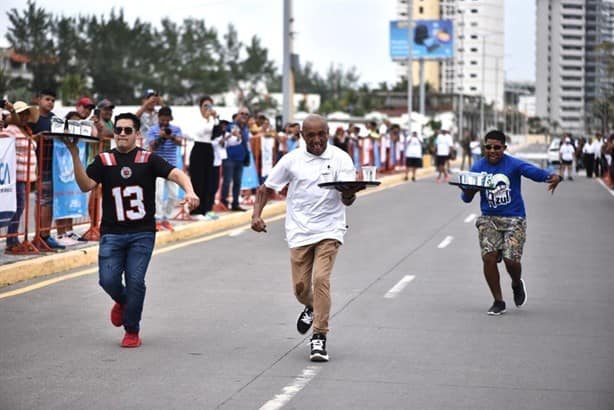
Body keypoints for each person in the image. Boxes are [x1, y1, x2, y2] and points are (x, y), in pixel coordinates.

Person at [61, 112, 199, 347]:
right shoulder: (105, 160)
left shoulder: (148, 159)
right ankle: (124, 301)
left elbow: (176, 173)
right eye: (118, 130)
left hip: (142, 232)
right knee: (108, 280)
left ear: (137, 134)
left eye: (127, 130)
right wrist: (74, 154)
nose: (122, 134)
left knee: (135, 281)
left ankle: (132, 329)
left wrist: (190, 191)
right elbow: (86, 186)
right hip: (112, 233)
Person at [251, 114, 365, 362]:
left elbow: (347, 199)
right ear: (302, 136)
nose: (317, 140)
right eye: (311, 135)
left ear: (328, 133)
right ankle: (311, 306)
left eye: (321, 134)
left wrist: (349, 194)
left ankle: (319, 336)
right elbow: (267, 188)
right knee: (301, 290)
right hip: (299, 230)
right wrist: (256, 216)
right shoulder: (291, 160)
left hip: (330, 229)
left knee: (321, 279)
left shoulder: (341, 158)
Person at [458, 130, 562, 316]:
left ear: (504, 148)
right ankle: (498, 301)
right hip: (489, 218)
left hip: (515, 219)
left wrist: (552, 176)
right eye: (488, 147)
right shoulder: (477, 168)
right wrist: (470, 190)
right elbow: (466, 198)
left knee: (510, 260)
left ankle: (516, 283)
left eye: (497, 147)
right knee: (488, 258)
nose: (492, 150)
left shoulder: (513, 164)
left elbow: (533, 172)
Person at [28, 90, 65, 250]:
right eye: (47, 99)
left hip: (53, 166)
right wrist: (40, 136)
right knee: (42, 201)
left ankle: (45, 235)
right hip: (37, 165)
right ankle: (39, 236)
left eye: (53, 100)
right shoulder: (32, 118)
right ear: (39, 100)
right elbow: (27, 137)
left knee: (49, 202)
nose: (50, 102)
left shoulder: (55, 120)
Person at [3, 101, 39, 254]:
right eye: (21, 113)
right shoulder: (11, 130)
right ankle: (11, 240)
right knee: (17, 208)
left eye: (26, 114)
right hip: (16, 175)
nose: (24, 116)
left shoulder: (26, 130)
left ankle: (13, 238)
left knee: (20, 208)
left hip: (26, 176)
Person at [146, 106, 183, 231]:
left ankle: (166, 218)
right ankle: (157, 219)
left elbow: (180, 142)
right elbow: (152, 146)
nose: (165, 123)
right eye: (162, 120)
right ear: (158, 118)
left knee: (174, 195)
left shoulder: (176, 129)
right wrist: (161, 138)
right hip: (156, 166)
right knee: (158, 194)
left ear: (171, 119)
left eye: (167, 120)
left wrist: (170, 136)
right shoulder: (152, 130)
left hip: (171, 166)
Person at [189, 96, 219, 219]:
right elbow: (200, 132)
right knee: (198, 181)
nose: (207, 108)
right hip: (198, 148)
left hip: (209, 149)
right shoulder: (197, 120)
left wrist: (215, 118)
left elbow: (216, 132)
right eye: (205, 106)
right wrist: (208, 118)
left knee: (208, 180)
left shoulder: (212, 120)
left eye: (209, 106)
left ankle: (206, 209)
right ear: (200, 107)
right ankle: (195, 211)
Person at [221, 108, 250, 211]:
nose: (244, 116)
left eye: (246, 114)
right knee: (227, 181)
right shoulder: (231, 126)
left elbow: (246, 143)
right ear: (237, 114)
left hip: (240, 159)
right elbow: (225, 141)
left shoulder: (246, 128)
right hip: (230, 158)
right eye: (242, 113)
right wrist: (235, 136)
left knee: (237, 182)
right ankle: (223, 203)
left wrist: (247, 157)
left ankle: (235, 204)